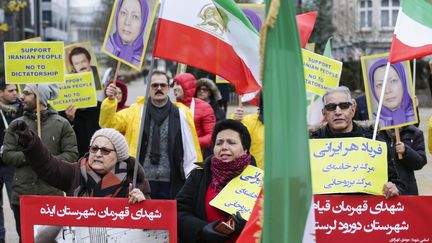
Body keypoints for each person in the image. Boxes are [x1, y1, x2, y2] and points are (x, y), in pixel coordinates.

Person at [9, 124, 150, 242]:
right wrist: (31, 143)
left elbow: (152, 224)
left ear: (118, 156)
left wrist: (142, 202)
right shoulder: (75, 172)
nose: (98, 154)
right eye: (94, 148)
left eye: (105, 151)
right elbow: (48, 165)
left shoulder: (134, 181)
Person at [99, 70, 202, 199]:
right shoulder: (135, 110)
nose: (159, 88)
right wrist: (110, 102)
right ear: (148, 87)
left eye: (162, 85)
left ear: (168, 87)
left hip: (173, 181)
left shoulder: (182, 113)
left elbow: (192, 148)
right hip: (140, 181)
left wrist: (194, 177)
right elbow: (108, 124)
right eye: (154, 85)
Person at [2, 84, 78, 240]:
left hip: (52, 195)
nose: (21, 97)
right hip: (23, 197)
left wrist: (46, 161)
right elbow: (7, 155)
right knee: (27, 239)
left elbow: (71, 155)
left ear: (40, 97)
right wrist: (32, 155)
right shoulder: (17, 125)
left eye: (27, 93)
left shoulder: (62, 124)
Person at [309, 86, 405, 198]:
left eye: (344, 106)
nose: (338, 112)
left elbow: (398, 183)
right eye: (331, 107)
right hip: (325, 212)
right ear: (324, 113)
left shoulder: (373, 141)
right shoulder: (312, 143)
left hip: (365, 212)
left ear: (353, 108)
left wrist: (393, 188)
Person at [177, 120, 252, 243]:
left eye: (232, 143)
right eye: (219, 143)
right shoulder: (199, 175)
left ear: (245, 149)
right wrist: (201, 229)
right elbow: (178, 212)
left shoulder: (258, 180)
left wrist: (248, 225)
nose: (224, 147)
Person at [0, 80, 22, 243]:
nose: (15, 93)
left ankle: (23, 236)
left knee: (17, 204)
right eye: (10, 91)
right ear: (1, 93)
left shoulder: (22, 109)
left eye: (16, 90)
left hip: (12, 165)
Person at [173, 73, 216, 153]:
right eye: (174, 84)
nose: (174, 88)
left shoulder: (205, 107)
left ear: (187, 86)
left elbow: (212, 136)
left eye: (178, 84)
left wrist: (191, 142)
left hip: (196, 155)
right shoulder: (171, 106)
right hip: (175, 155)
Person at [368, 58, 415, 127]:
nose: (387, 90)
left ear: (403, 82)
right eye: (380, 84)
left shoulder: (414, 113)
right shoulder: (373, 122)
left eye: (393, 81)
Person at [105, 0, 149, 67]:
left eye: (135, 16)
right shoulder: (107, 45)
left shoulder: (142, 62)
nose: (127, 22)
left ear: (143, 23)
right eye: (123, 13)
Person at [385, 126, 426, 195]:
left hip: (407, 189)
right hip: (384, 189)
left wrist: (406, 151)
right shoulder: (377, 133)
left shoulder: (414, 133)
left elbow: (420, 162)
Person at [232, 94, 264, 169]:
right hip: (253, 174)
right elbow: (233, 142)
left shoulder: (290, 123)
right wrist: (235, 121)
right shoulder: (249, 121)